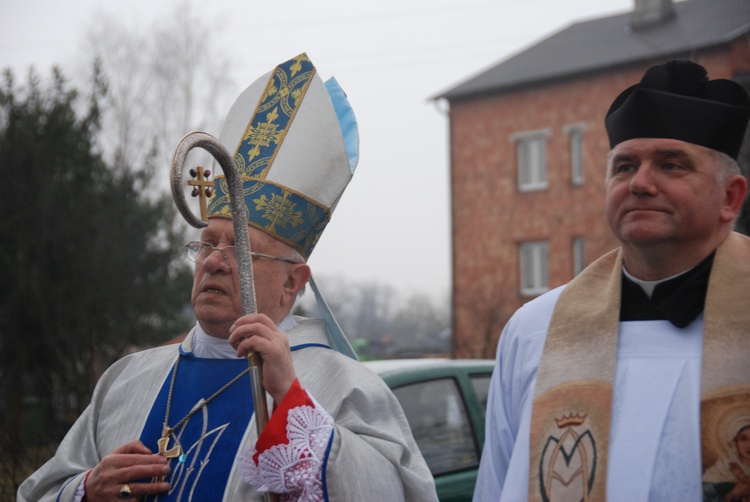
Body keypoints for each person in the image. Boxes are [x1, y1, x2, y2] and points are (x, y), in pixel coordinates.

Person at [18, 53, 437, 502]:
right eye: (206, 243)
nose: (213, 261)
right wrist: (85, 490)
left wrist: (292, 402)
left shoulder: (345, 387)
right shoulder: (127, 380)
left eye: (239, 249)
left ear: (293, 283)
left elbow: (394, 492)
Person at [473, 59, 750, 501]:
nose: (640, 183)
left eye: (672, 165)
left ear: (730, 197)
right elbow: (494, 484)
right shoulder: (535, 330)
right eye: (623, 167)